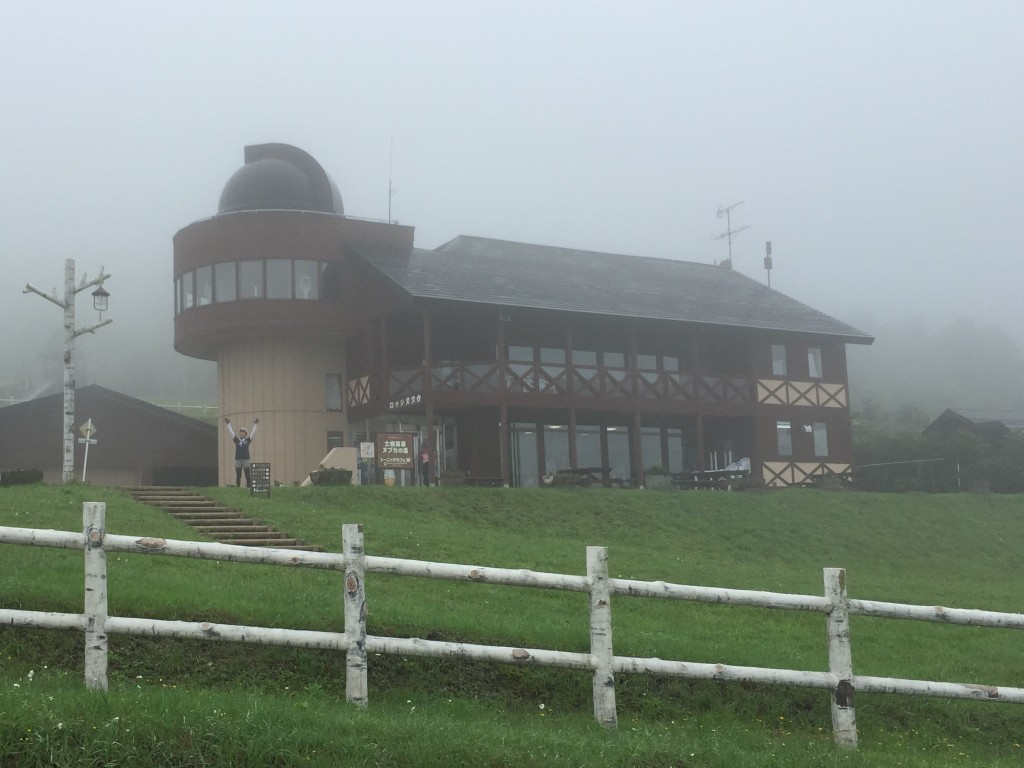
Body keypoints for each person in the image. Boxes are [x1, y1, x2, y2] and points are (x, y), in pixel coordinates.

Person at [225, 416, 259, 487]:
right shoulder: (236, 440)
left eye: (243, 432)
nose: (241, 433)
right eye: (240, 432)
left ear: (245, 434)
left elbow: (253, 433)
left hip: (246, 459)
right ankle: (238, 488)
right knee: (238, 475)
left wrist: (255, 424)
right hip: (238, 459)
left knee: (247, 475)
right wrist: (228, 424)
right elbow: (231, 433)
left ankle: (248, 488)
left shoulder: (248, 440)